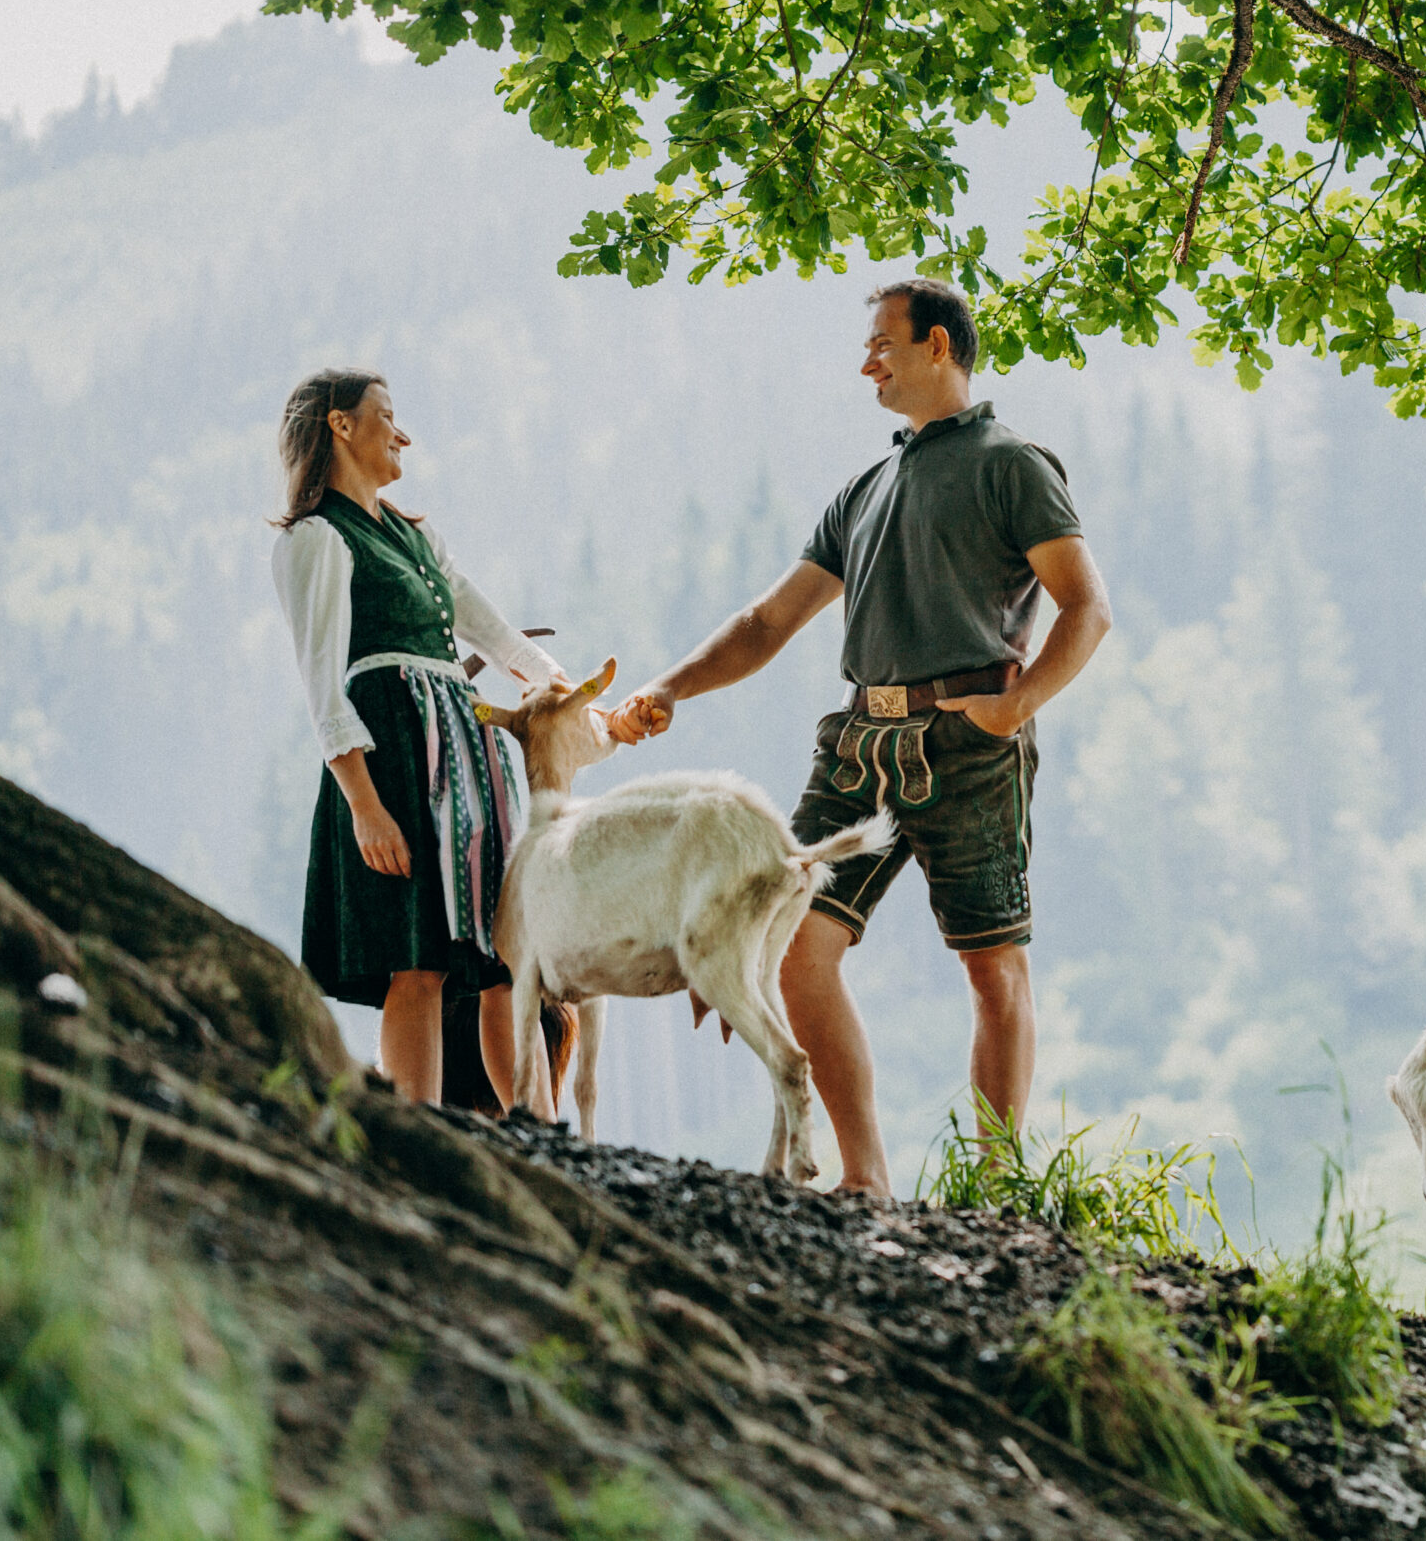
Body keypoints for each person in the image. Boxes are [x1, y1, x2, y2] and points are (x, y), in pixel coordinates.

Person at [607, 279, 1113, 1195]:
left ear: (939, 347)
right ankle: (865, 1178)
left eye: (883, 341)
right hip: (857, 745)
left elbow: (1089, 608)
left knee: (993, 967)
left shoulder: (1011, 463)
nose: (868, 360)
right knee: (798, 948)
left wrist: (1015, 706)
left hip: (969, 742)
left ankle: (997, 1193)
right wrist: (668, 685)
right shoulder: (867, 487)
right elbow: (767, 623)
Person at [269, 368, 568, 1110]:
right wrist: (364, 805)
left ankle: (542, 1135)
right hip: (392, 758)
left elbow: (493, 632)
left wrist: (566, 694)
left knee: (499, 956)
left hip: (460, 761)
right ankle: (420, 1133)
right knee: (417, 964)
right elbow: (320, 682)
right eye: (387, 417)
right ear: (341, 426)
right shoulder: (316, 538)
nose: (403, 434)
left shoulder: (415, 534)